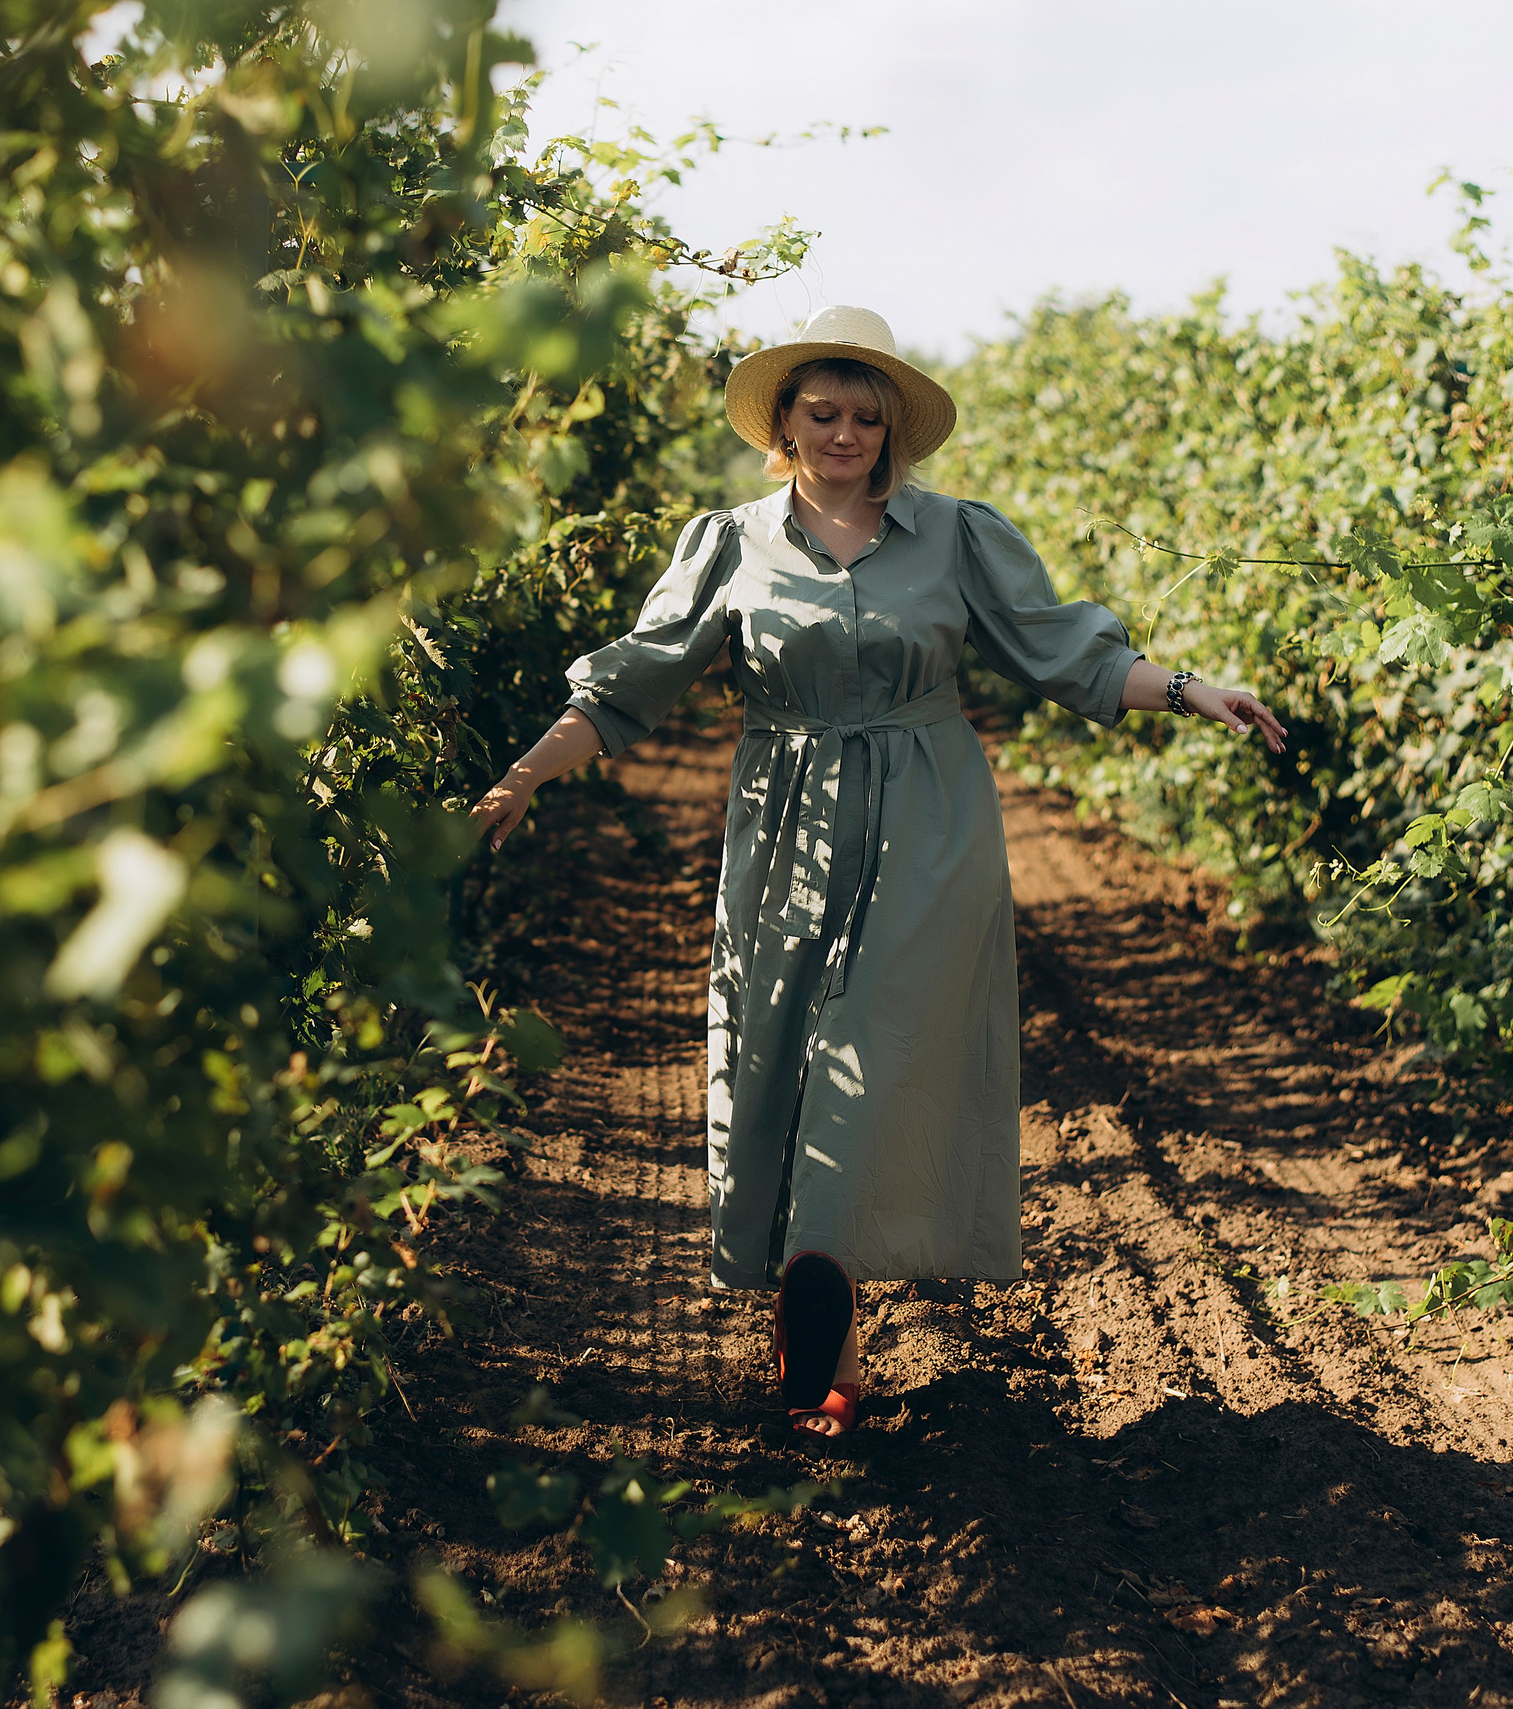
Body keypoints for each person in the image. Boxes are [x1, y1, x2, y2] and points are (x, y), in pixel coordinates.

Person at [468, 306, 1284, 1440]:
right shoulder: (729, 543)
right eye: (822, 412)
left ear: (891, 427)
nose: (844, 431)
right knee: (788, 1054)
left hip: (929, 819)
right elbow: (629, 685)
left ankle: (813, 1286)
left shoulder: (956, 535)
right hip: (783, 821)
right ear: (786, 424)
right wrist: (522, 776)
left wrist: (1195, 689)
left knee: (872, 1038)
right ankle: (830, 1341)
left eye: (864, 415)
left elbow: (1067, 649)